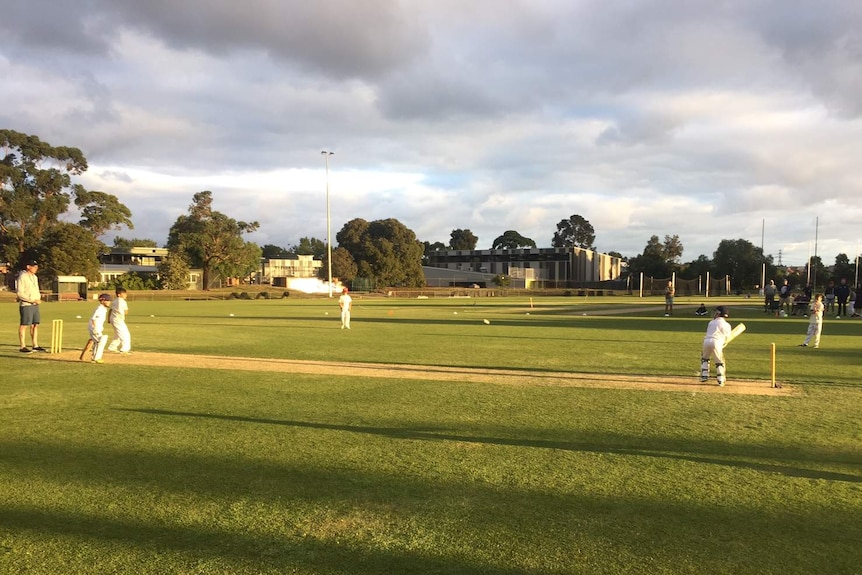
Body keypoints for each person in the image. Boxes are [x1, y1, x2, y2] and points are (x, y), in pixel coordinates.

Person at [16, 260, 46, 353]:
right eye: (34, 266)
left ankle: (35, 345)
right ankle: (22, 346)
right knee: (24, 325)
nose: (36, 268)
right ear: (28, 266)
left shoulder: (35, 277)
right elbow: (19, 293)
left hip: (35, 304)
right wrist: (31, 300)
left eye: (36, 267)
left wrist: (39, 298)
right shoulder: (22, 277)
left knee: (35, 324)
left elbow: (35, 289)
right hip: (26, 305)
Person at [701, 305, 732, 386]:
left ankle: (704, 375)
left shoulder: (711, 322)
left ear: (718, 313)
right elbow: (727, 336)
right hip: (717, 342)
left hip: (706, 341)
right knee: (719, 361)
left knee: (705, 358)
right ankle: (720, 379)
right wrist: (724, 342)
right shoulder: (727, 325)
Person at [88, 293, 112, 363]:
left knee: (97, 342)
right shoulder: (99, 309)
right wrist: (95, 329)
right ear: (102, 301)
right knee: (102, 340)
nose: (109, 302)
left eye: (109, 300)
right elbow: (93, 319)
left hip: (97, 328)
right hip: (94, 328)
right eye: (107, 300)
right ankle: (96, 358)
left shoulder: (103, 309)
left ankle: (94, 358)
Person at [107, 287, 131, 353]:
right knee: (125, 334)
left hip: (113, 319)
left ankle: (112, 347)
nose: (125, 295)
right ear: (119, 294)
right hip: (118, 319)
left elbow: (110, 310)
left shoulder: (114, 301)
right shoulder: (122, 301)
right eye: (124, 293)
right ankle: (125, 349)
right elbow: (126, 312)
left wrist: (109, 319)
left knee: (117, 334)